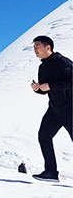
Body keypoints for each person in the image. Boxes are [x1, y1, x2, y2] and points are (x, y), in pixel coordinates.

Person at [30, 36, 72, 182]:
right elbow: (45, 88)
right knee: (44, 136)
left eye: (37, 46)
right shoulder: (42, 67)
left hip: (70, 108)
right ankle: (51, 172)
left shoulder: (62, 61)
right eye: (34, 46)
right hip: (54, 109)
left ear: (48, 47)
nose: (35, 49)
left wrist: (51, 86)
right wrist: (38, 89)